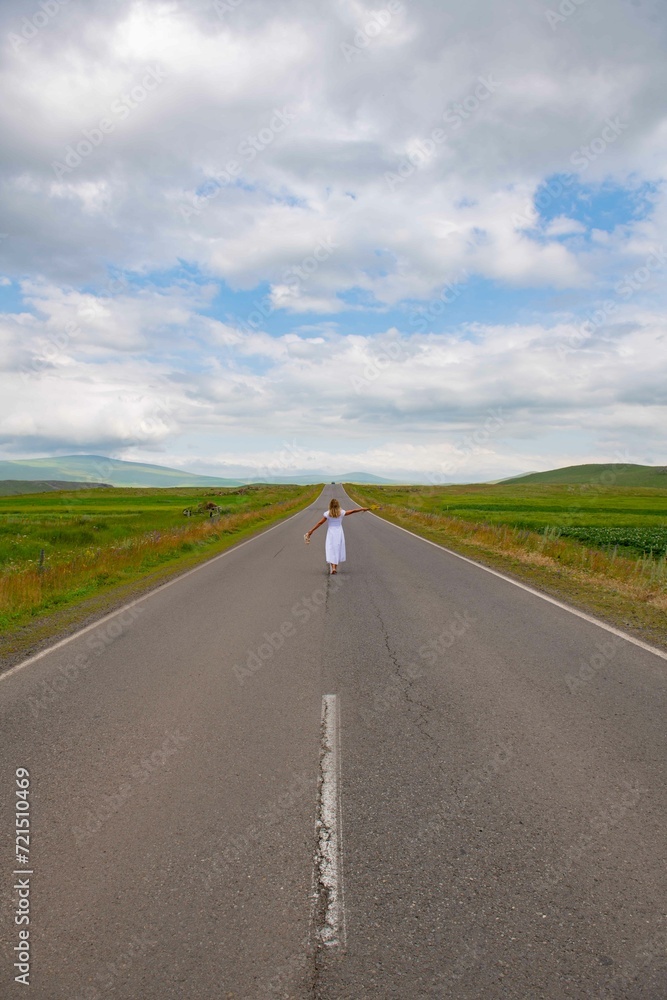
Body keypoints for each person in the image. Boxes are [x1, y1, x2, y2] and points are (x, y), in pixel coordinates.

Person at [305, 497, 369, 574]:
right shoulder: (341, 512)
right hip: (339, 532)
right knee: (337, 548)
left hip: (331, 533)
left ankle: (333, 567)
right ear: (338, 505)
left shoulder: (327, 514)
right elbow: (353, 511)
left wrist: (311, 530)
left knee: (331, 549)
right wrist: (362, 509)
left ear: (330, 505)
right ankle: (335, 567)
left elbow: (320, 523)